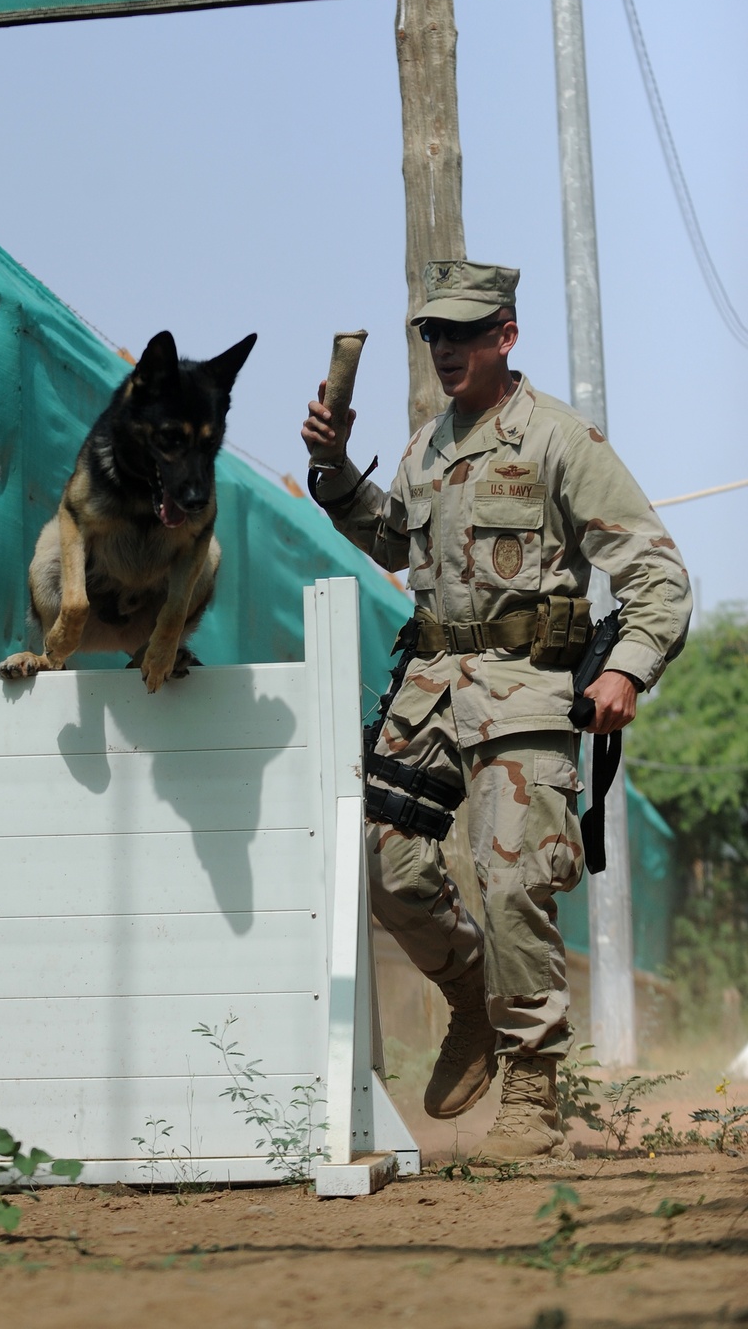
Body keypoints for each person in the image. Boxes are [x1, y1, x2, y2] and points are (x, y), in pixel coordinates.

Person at [301, 260, 692, 1161]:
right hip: (432, 687)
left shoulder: (560, 440)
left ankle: (532, 1084)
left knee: (514, 878)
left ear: (504, 336)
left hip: (525, 689)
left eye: (461, 334)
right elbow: (393, 541)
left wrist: (627, 669)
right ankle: (473, 999)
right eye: (432, 335)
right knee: (381, 864)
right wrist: (330, 468)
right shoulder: (426, 446)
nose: (443, 350)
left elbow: (658, 576)